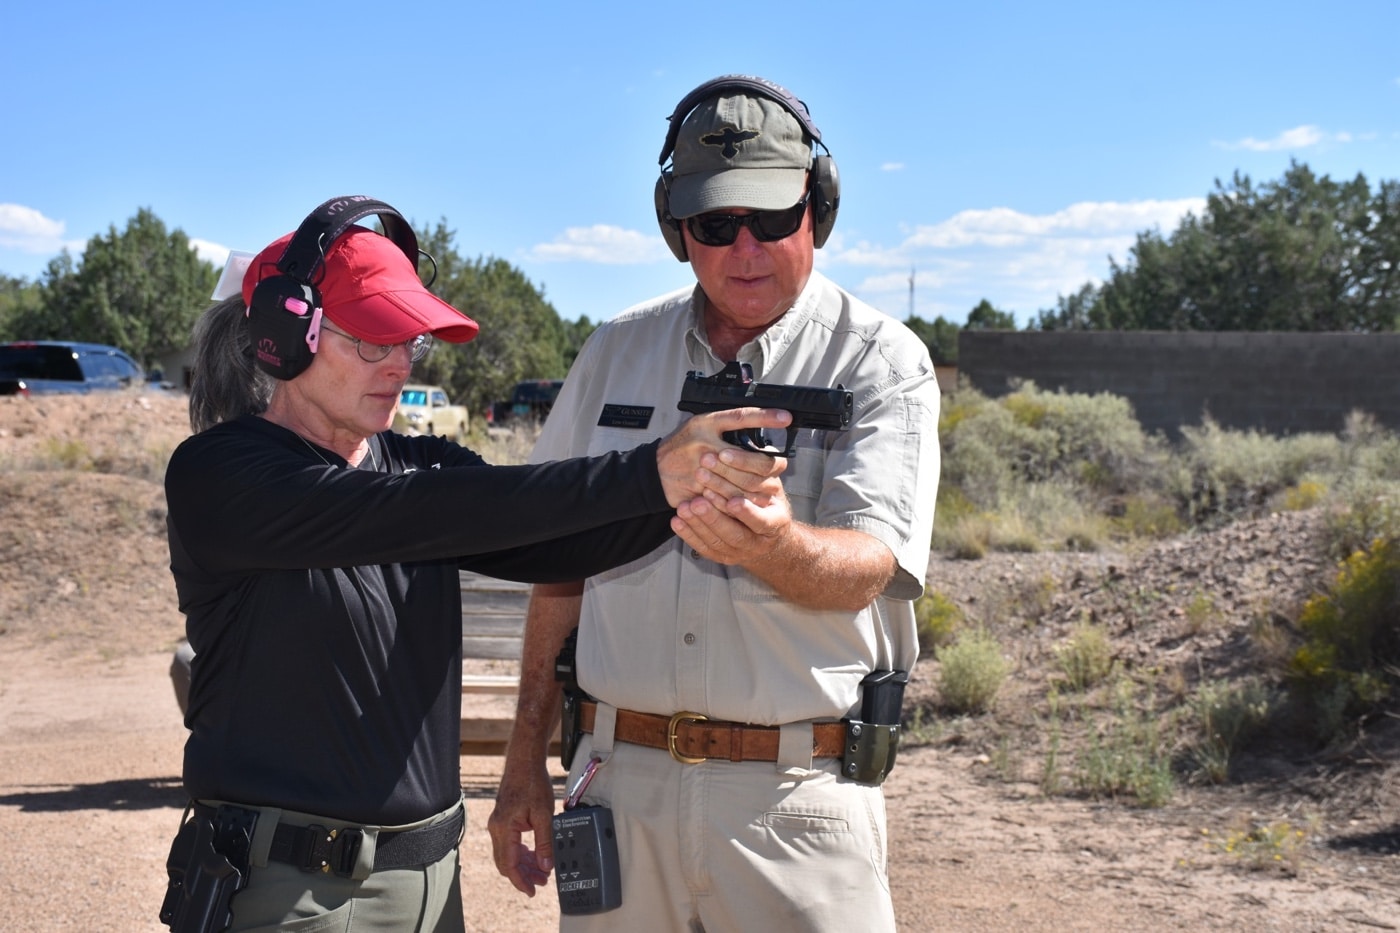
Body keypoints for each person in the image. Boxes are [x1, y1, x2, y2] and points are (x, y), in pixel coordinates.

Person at [159, 196, 791, 933]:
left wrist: (698, 490)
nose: (398, 363)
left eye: (409, 342)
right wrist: (653, 471)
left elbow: (556, 544)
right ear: (285, 337)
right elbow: (428, 510)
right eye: (371, 339)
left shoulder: (413, 464)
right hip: (291, 891)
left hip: (428, 886)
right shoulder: (220, 475)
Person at [487, 76, 941, 932]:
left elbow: (869, 566)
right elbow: (558, 569)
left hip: (796, 803)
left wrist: (769, 547)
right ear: (676, 228)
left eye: (773, 219)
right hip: (621, 787)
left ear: (820, 207)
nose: (746, 247)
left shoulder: (881, 360)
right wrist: (523, 762)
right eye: (716, 224)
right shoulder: (615, 353)